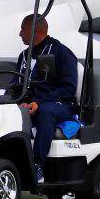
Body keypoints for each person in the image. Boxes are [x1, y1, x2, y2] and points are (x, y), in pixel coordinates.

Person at [14, 14, 78, 184]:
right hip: (31, 103)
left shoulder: (61, 53)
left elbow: (68, 88)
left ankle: (37, 165)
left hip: (61, 104)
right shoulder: (23, 56)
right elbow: (17, 85)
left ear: (35, 30)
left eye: (23, 29)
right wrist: (21, 101)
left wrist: (39, 103)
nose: (20, 34)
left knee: (46, 111)